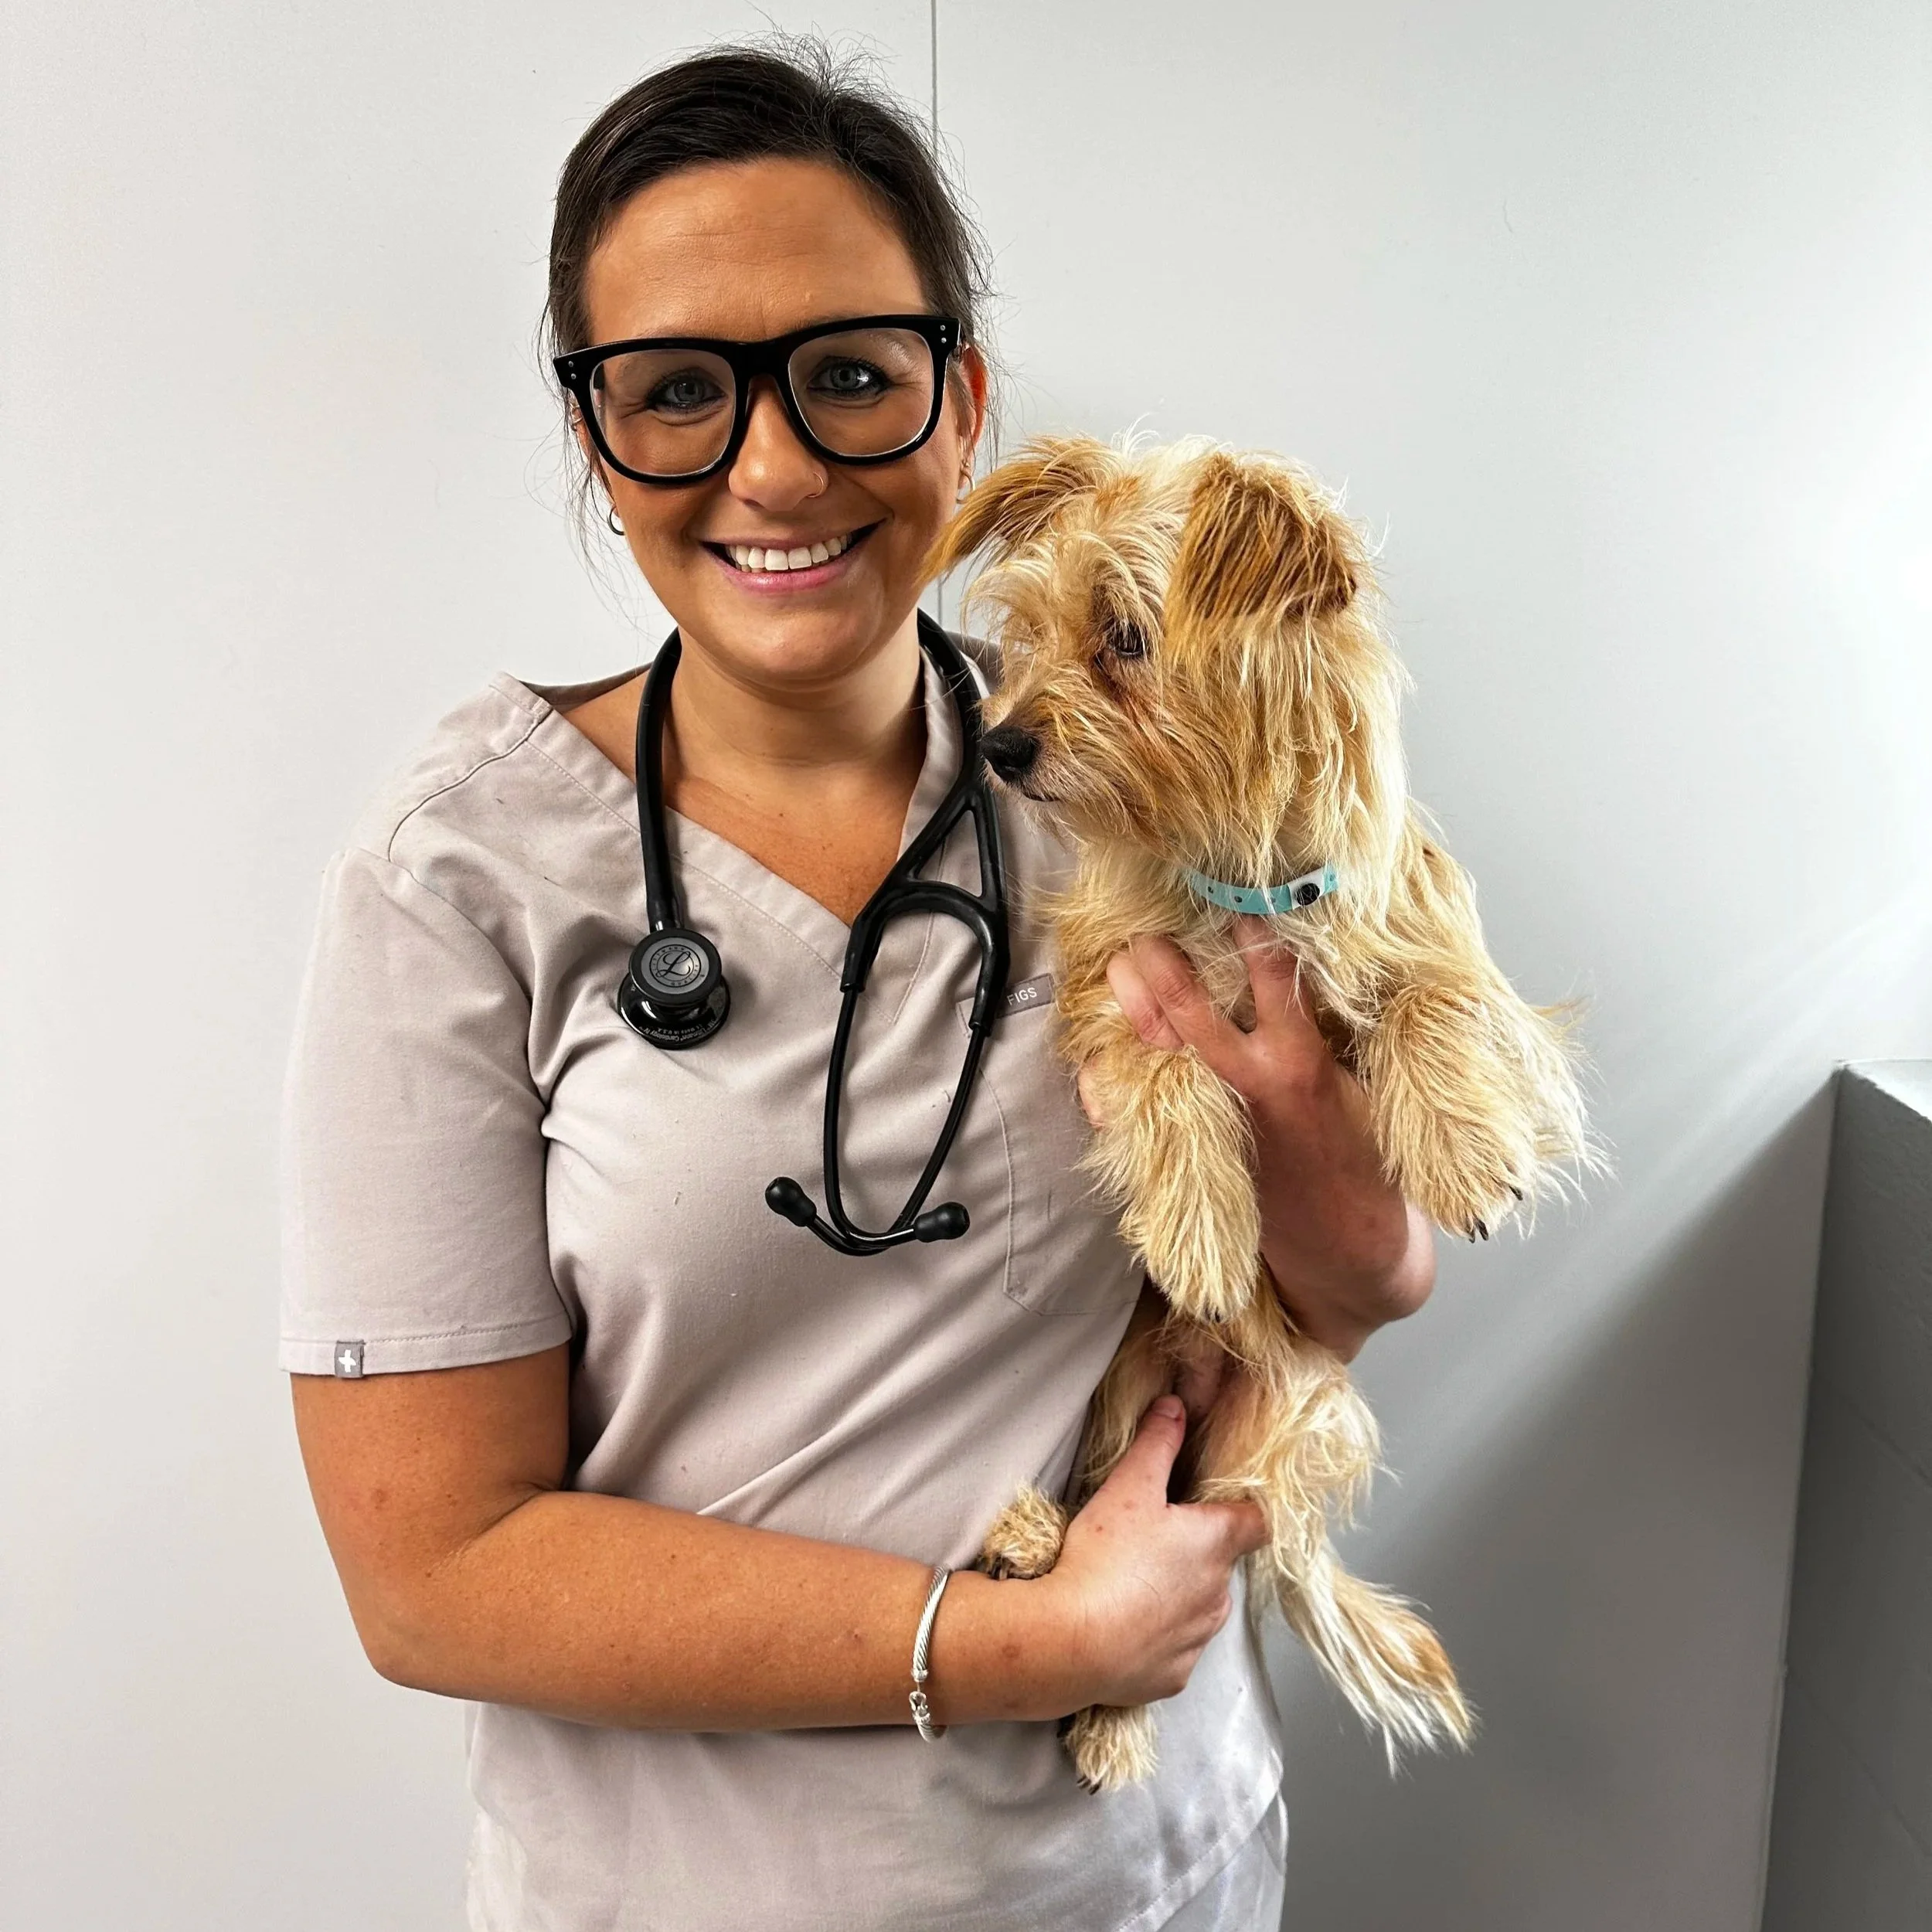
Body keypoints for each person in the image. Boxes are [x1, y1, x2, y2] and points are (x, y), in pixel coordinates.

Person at [281, 42, 1437, 1932]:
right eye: (677, 389)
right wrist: (1013, 1643)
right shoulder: (457, 879)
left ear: (958, 402)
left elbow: (1366, 1280)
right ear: (595, 438)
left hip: (1148, 1867)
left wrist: (1305, 1124)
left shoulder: (1140, 774)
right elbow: (432, 1571)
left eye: (848, 373)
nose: (773, 466)